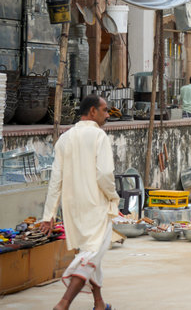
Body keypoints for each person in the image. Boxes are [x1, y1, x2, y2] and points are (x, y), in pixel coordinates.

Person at [40, 94, 120, 310]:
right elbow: (104, 174)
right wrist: (113, 197)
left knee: (90, 253)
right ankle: (64, 303)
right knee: (91, 255)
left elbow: (55, 180)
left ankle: (99, 303)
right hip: (96, 206)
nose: (107, 114)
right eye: (105, 110)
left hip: (73, 209)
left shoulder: (65, 138)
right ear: (92, 111)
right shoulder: (98, 136)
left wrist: (49, 215)